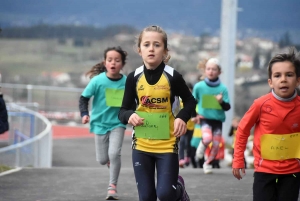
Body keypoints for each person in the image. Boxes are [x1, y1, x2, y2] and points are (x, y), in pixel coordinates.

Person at [118, 25, 196, 201]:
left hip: (167, 145)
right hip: (141, 146)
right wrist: (130, 115)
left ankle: (179, 190)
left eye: (157, 45)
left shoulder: (173, 76)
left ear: (165, 50)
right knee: (146, 198)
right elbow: (122, 110)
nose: (151, 48)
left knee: (165, 194)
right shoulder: (134, 77)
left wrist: (182, 118)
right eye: (146, 44)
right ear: (139, 50)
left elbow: (191, 101)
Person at [232, 47, 300, 201]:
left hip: (293, 172)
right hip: (264, 170)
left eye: (289, 75)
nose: (283, 79)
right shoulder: (260, 104)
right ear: (270, 82)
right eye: (277, 75)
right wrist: (238, 159)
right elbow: (243, 129)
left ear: (298, 80)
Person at [79, 46, 127, 200]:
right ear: (105, 62)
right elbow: (83, 98)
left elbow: (134, 100)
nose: (113, 63)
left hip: (118, 123)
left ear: (122, 64)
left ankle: (112, 187)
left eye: (117, 60)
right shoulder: (98, 81)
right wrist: (85, 114)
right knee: (102, 159)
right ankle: (109, 162)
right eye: (110, 60)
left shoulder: (127, 82)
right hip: (100, 124)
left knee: (114, 153)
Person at [192, 58, 231, 174]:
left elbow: (227, 107)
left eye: (214, 69)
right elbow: (192, 102)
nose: (211, 71)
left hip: (217, 120)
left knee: (215, 145)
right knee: (207, 138)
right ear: (205, 71)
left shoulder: (223, 89)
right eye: (208, 69)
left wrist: (221, 102)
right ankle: (201, 148)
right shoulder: (199, 87)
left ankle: (207, 163)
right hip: (205, 119)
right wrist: (194, 115)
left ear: (219, 72)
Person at [179, 82, 195, 168]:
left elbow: (195, 111)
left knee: (188, 143)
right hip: (182, 125)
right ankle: (181, 159)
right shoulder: (179, 101)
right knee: (182, 142)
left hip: (191, 126)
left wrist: (195, 117)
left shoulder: (193, 100)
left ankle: (187, 157)